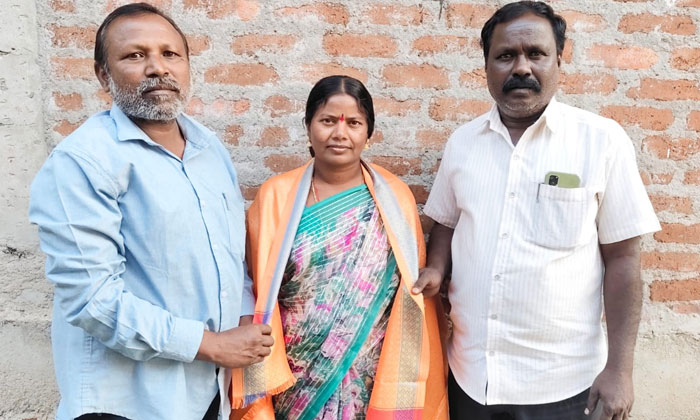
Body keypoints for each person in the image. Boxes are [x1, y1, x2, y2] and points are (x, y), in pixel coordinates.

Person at [418, 2, 661, 420]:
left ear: (558, 60)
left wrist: (620, 370)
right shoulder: (463, 143)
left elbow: (623, 259)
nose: (521, 67)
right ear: (486, 65)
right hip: (471, 376)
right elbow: (445, 222)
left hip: (564, 386)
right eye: (505, 56)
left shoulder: (601, 141)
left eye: (536, 53)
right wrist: (438, 269)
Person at [29, 3, 273, 419]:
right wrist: (212, 345)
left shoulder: (209, 149)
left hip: (206, 394)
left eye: (170, 54)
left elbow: (231, 258)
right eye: (135, 55)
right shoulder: (83, 161)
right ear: (103, 75)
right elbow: (93, 301)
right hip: (124, 403)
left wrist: (246, 324)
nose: (158, 68)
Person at [228, 75, 448, 420]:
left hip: (370, 369)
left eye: (353, 123)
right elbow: (258, 291)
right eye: (328, 121)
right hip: (295, 373)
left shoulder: (395, 198)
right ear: (308, 127)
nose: (340, 133)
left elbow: (408, 293)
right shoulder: (275, 196)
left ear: (369, 132)